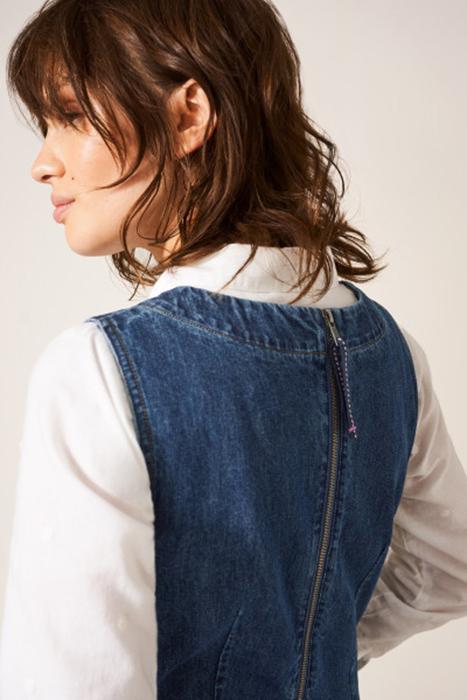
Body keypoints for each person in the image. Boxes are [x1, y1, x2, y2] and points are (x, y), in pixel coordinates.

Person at [1, 1, 467, 698]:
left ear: (188, 116)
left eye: (71, 117)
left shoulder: (99, 369)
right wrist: (302, 650)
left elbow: (74, 684)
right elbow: (450, 566)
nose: (43, 163)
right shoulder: (392, 353)